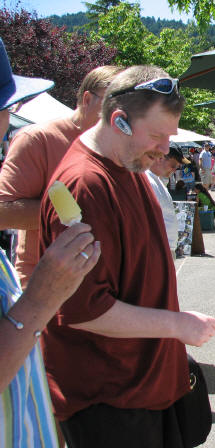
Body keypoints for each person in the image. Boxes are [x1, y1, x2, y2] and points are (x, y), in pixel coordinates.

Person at [39, 65, 215, 448]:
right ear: (119, 121)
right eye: (157, 135)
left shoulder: (130, 164)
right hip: (111, 402)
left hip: (144, 392)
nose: (165, 149)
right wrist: (177, 325)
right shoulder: (84, 186)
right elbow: (87, 311)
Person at [0, 36, 101, 448]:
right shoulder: (39, 139)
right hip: (41, 295)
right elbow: (4, 208)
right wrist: (61, 212)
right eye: (6, 108)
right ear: (88, 99)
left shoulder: (110, 150)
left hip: (85, 293)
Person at [0, 64, 123, 289]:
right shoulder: (38, 139)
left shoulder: (119, 147)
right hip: (46, 290)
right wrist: (82, 210)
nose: (119, 118)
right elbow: (3, 213)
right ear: (87, 100)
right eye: (112, 106)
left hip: (104, 287)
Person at [146, 144, 190, 258]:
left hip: (164, 249)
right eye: (173, 165)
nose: (175, 169)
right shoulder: (148, 182)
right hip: (158, 251)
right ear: (160, 158)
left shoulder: (157, 180)